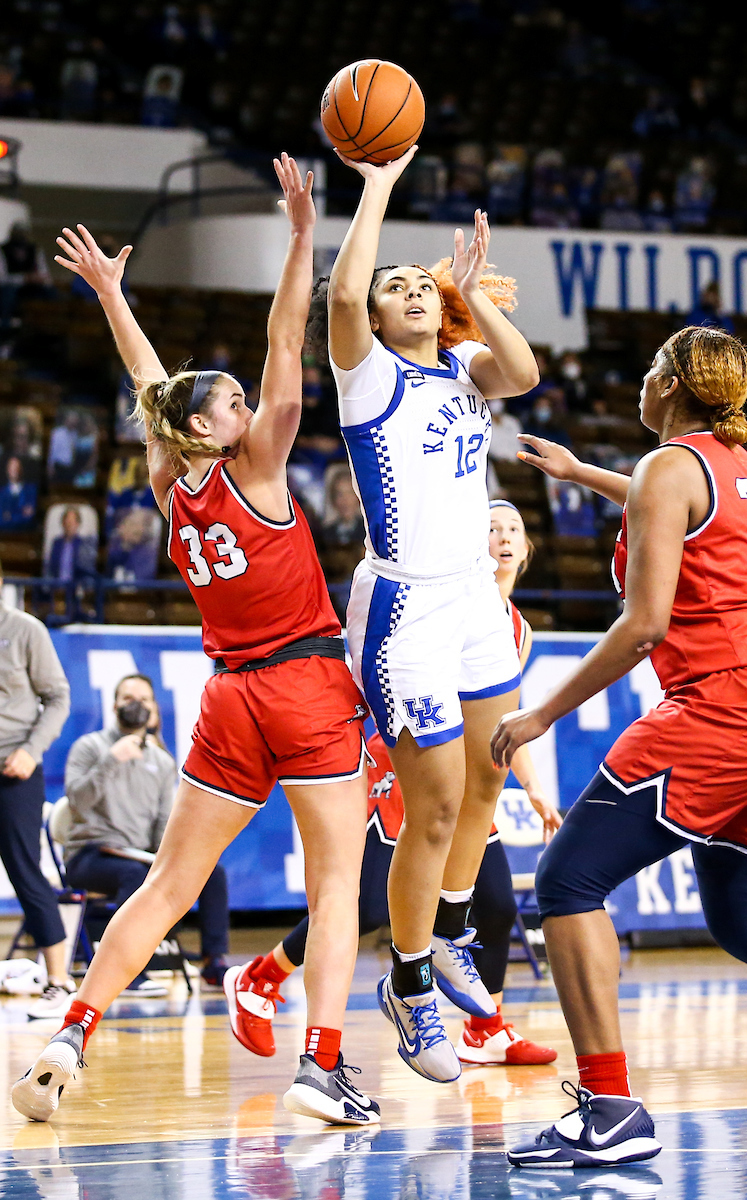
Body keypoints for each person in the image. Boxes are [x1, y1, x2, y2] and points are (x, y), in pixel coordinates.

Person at [13, 156, 379, 1128]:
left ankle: (70, 1030)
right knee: (338, 877)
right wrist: (301, 238)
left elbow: (149, 386)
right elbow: (282, 338)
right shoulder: (257, 463)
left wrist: (112, 298)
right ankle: (322, 1063)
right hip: (301, 684)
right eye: (233, 405)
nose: (249, 408)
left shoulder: (172, 482)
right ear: (218, 427)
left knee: (171, 885)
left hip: (230, 698)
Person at [491, 325, 747, 1169]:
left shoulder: (672, 467)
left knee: (567, 879)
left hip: (724, 704)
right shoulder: (740, 466)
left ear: (669, 383)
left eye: (649, 370)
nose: (639, 381)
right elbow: (663, 496)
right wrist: (580, 473)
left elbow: (645, 626)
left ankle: (610, 1108)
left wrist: (540, 715)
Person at [310, 160, 540, 1083]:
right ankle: (409, 987)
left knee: (488, 781)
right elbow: (342, 293)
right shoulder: (368, 379)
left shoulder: (463, 367)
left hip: (474, 601)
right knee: (436, 802)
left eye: (417, 283)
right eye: (391, 287)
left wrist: (469, 295)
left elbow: (521, 371)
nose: (406, 292)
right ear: (372, 317)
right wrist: (377, 185)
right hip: (404, 605)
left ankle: (448, 933)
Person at [224, 501, 561, 1067]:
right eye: (492, 529)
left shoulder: (517, 629)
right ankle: (262, 976)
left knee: (497, 903)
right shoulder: (437, 604)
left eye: (514, 530)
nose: (503, 538)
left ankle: (486, 1029)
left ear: (528, 552)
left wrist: (529, 786)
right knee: (368, 905)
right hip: (406, 763)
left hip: (471, 783)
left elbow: (500, 727)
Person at [63, 673, 229, 994]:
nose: (135, 705)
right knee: (135, 874)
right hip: (91, 855)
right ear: (114, 706)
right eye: (128, 698)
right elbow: (78, 804)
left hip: (140, 855)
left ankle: (214, 963)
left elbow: (164, 823)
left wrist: (176, 861)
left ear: (153, 708)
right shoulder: (90, 747)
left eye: (143, 699)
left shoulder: (161, 760)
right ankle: (127, 973)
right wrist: (112, 761)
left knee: (212, 871)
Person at [0, 558, 72, 1019]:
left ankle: (60, 980)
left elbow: (59, 696)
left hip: (15, 767)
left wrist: (31, 750)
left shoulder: (25, 630)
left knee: (26, 869)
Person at [47, 506, 96, 582]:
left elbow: (86, 570)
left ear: (77, 524)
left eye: (72, 522)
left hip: (76, 587)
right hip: (57, 587)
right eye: (67, 522)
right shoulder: (56, 543)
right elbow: (50, 568)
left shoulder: (83, 544)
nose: (69, 525)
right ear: (63, 524)